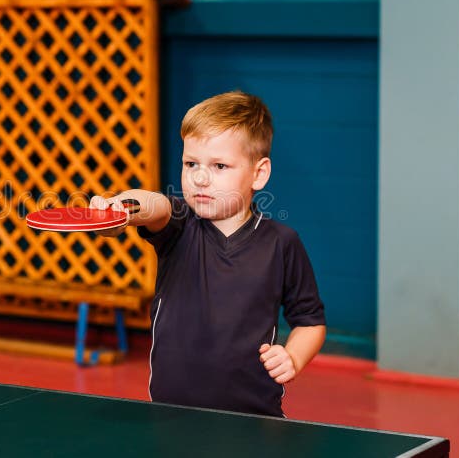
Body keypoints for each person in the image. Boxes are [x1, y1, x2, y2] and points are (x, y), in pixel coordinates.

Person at [89, 90, 326, 417]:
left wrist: (293, 357)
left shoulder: (282, 243)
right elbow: (151, 205)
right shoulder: (178, 226)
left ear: (259, 173)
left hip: (255, 421)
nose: (199, 177)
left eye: (219, 165)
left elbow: (310, 322)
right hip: (170, 419)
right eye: (190, 163)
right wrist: (120, 210)